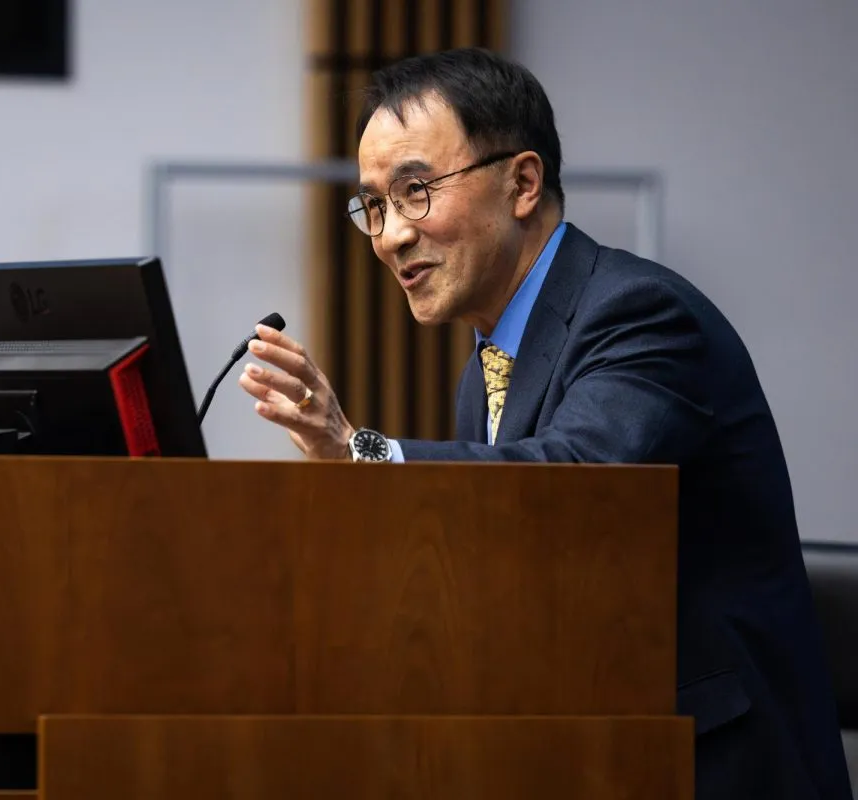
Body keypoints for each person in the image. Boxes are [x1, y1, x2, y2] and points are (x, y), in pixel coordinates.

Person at [239, 47, 852, 799]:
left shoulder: (638, 314)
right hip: (590, 745)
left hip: (709, 764)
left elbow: (571, 486)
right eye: (374, 204)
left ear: (522, 183)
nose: (391, 234)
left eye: (416, 191)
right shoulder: (489, 366)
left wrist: (359, 450)